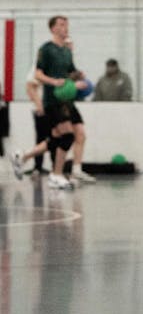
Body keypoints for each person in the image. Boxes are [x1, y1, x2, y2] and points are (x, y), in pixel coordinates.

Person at [34, 16, 92, 189]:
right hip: (53, 99)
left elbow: (70, 72)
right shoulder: (46, 49)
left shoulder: (67, 51)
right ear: (52, 28)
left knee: (74, 134)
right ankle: (56, 174)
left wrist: (78, 76)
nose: (65, 27)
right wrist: (53, 81)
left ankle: (67, 171)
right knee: (66, 136)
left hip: (67, 100)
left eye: (66, 24)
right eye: (61, 24)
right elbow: (38, 74)